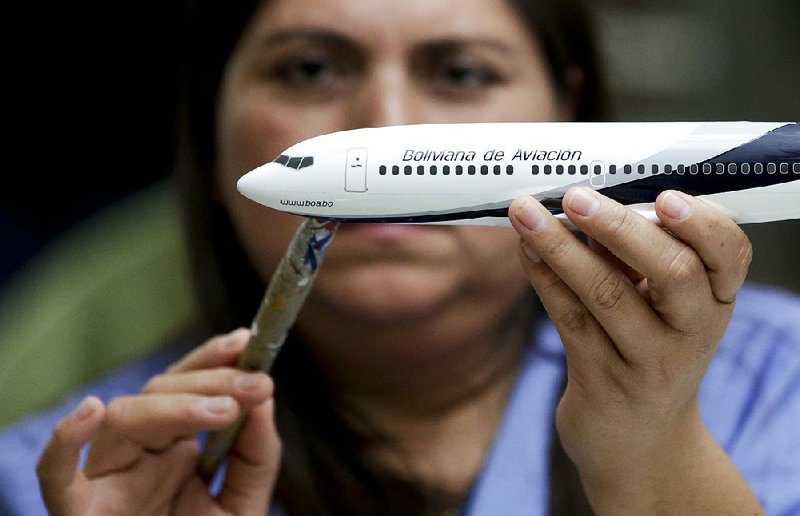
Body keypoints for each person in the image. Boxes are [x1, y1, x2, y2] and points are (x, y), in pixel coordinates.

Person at [2, 0, 799, 514]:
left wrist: (655, 464)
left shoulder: (779, 385)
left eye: (460, 73)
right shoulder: (65, 479)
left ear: (569, 111)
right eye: (310, 68)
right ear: (209, 138)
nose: (386, 129)